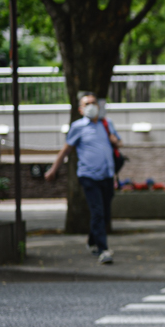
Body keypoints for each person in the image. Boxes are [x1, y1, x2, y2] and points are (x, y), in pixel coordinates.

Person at [44, 93, 121, 264]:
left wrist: (115, 141)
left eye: (93, 103)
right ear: (80, 109)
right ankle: (103, 250)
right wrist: (53, 169)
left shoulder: (107, 124)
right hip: (89, 176)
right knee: (98, 212)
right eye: (87, 104)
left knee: (105, 214)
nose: (91, 106)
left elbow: (119, 143)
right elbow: (66, 150)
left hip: (107, 175)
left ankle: (92, 241)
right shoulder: (78, 127)